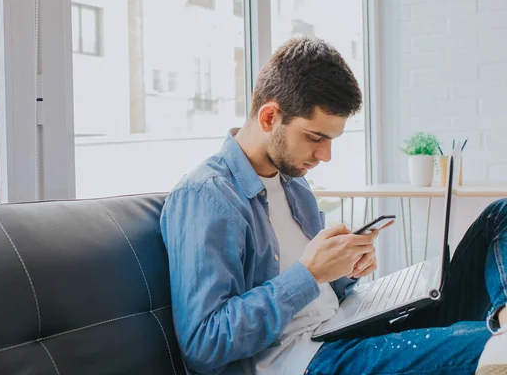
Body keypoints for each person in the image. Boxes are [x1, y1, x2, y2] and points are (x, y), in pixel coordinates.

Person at [160, 36, 507, 375]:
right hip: (303, 358)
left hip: (345, 328)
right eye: (315, 137)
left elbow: (327, 291)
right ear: (269, 117)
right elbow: (204, 345)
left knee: (501, 215)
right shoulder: (206, 196)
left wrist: (345, 265)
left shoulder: (293, 183)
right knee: (481, 344)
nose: (325, 155)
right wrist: (309, 273)